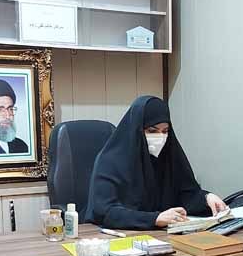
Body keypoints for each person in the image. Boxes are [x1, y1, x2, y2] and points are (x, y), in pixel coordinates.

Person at [85, 95, 228, 230]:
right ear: (136, 129)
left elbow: (185, 195)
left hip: (166, 236)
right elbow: (105, 211)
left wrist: (206, 198)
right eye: (152, 131)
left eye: (165, 131)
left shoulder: (168, 156)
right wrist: (154, 219)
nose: (160, 137)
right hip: (119, 237)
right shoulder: (111, 160)